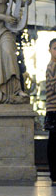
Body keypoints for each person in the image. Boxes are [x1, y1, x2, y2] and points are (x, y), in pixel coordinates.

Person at [45, 38, 56, 186]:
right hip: (54, 109)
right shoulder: (52, 66)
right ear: (50, 50)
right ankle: (54, 175)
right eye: (55, 48)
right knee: (53, 143)